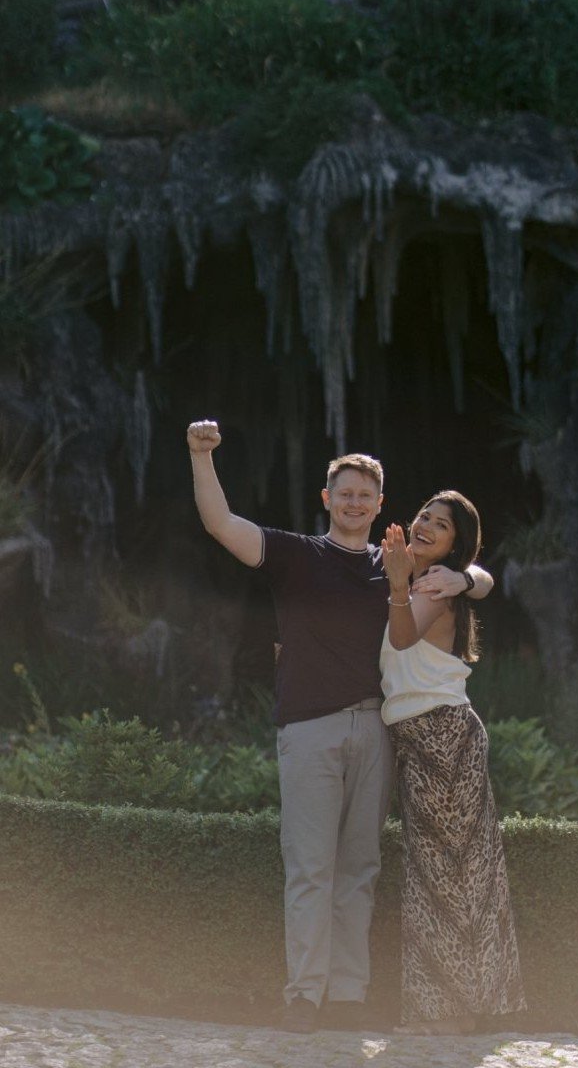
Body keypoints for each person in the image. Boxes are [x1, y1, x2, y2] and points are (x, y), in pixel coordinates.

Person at [187, 421, 494, 1034]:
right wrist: (200, 456)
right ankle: (305, 994)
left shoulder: (397, 565)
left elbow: (477, 575)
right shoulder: (296, 554)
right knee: (310, 867)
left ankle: (349, 996)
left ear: (380, 505)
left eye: (366, 495)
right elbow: (222, 524)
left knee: (360, 868)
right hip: (309, 727)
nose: (355, 503)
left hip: (377, 729)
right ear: (327, 498)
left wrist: (466, 578)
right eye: (345, 493)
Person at [380, 492, 526, 1034]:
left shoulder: (432, 587)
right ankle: (460, 1008)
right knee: (442, 873)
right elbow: (482, 578)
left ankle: (447, 1013)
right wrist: (465, 578)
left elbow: (402, 638)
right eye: (424, 515)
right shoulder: (424, 576)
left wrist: (425, 582)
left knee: (446, 875)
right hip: (424, 736)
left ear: (452, 545)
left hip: (443, 735)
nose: (425, 526)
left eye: (440, 525)